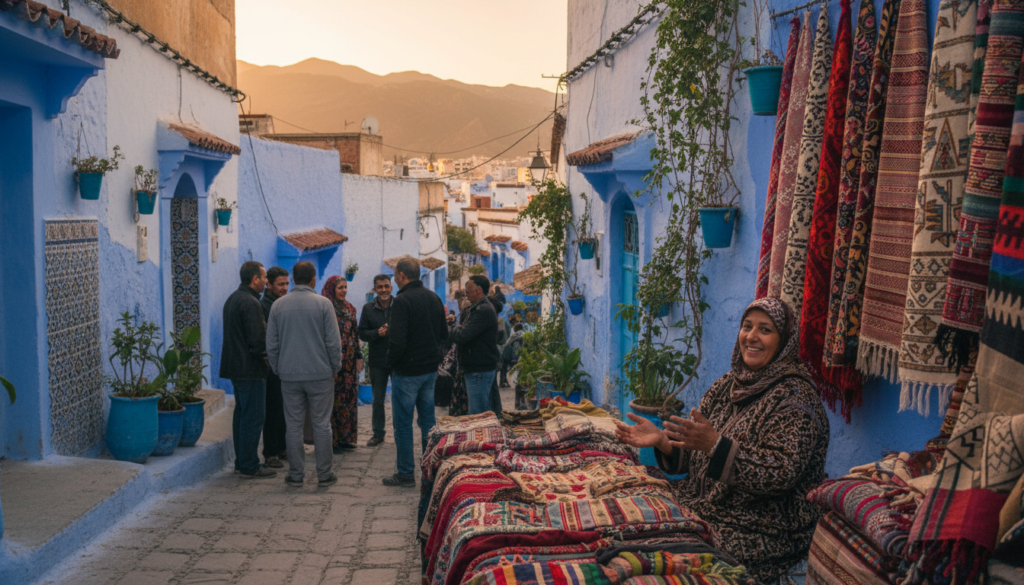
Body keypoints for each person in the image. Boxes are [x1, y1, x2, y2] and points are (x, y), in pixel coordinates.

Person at [614, 297, 829, 583]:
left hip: (763, 529)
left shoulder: (796, 399)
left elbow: (779, 474)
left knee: (660, 560)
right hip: (707, 506)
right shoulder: (728, 384)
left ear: (784, 342)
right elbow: (696, 454)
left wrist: (716, 445)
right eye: (746, 326)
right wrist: (663, 443)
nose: (751, 337)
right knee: (628, 522)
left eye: (765, 330)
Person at [266, 261, 343, 488]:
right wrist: (334, 367)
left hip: (290, 375)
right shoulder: (324, 305)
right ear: (313, 279)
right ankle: (324, 474)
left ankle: (296, 475)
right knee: (321, 424)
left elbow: (272, 344)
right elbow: (333, 342)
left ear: (292, 278)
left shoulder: (278, 306)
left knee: (293, 426)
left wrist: (278, 368)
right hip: (320, 374)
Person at [384, 257, 448, 487]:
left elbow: (397, 340)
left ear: (401, 275)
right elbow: (443, 334)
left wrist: (391, 362)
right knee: (428, 422)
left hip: (408, 371)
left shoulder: (402, 301)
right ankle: (430, 470)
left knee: (402, 424)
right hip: (429, 371)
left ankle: (405, 473)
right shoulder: (434, 298)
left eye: (394, 275)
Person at [220, 261, 274, 479]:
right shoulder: (251, 302)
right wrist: (270, 361)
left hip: (237, 368)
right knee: (253, 417)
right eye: (264, 278)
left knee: (242, 416)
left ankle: (242, 462)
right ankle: (250, 464)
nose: (266, 282)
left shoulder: (233, 298)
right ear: (254, 279)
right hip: (250, 369)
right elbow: (258, 341)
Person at [320, 275, 364, 453]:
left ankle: (347, 438)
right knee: (333, 399)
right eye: (340, 288)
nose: (344, 291)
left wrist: (359, 356)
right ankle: (332, 441)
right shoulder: (324, 307)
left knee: (349, 399)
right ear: (332, 288)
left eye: (345, 287)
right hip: (331, 361)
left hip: (349, 363)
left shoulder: (350, 308)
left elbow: (355, 334)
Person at [449, 275, 499, 415]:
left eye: (468, 289)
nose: (466, 292)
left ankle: (479, 438)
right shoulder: (478, 308)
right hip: (479, 369)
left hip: (479, 370)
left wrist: (455, 328)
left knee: (477, 414)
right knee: (482, 411)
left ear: (478, 290)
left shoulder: (482, 310)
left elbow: (462, 335)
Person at [358, 274, 394, 447]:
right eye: (380, 287)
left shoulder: (400, 306)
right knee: (378, 400)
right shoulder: (368, 308)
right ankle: (378, 433)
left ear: (391, 287)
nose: (383, 290)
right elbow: (362, 333)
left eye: (386, 286)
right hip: (377, 361)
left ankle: (400, 431)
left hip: (397, 359)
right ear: (375, 290)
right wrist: (376, 334)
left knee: (400, 399)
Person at [260, 266, 290, 468]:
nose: (285, 288)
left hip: (285, 364)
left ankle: (282, 447)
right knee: (272, 409)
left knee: (284, 408)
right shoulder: (264, 306)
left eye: (287, 284)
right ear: (268, 285)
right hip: (272, 366)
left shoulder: (282, 304)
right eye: (281, 284)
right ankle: (270, 453)